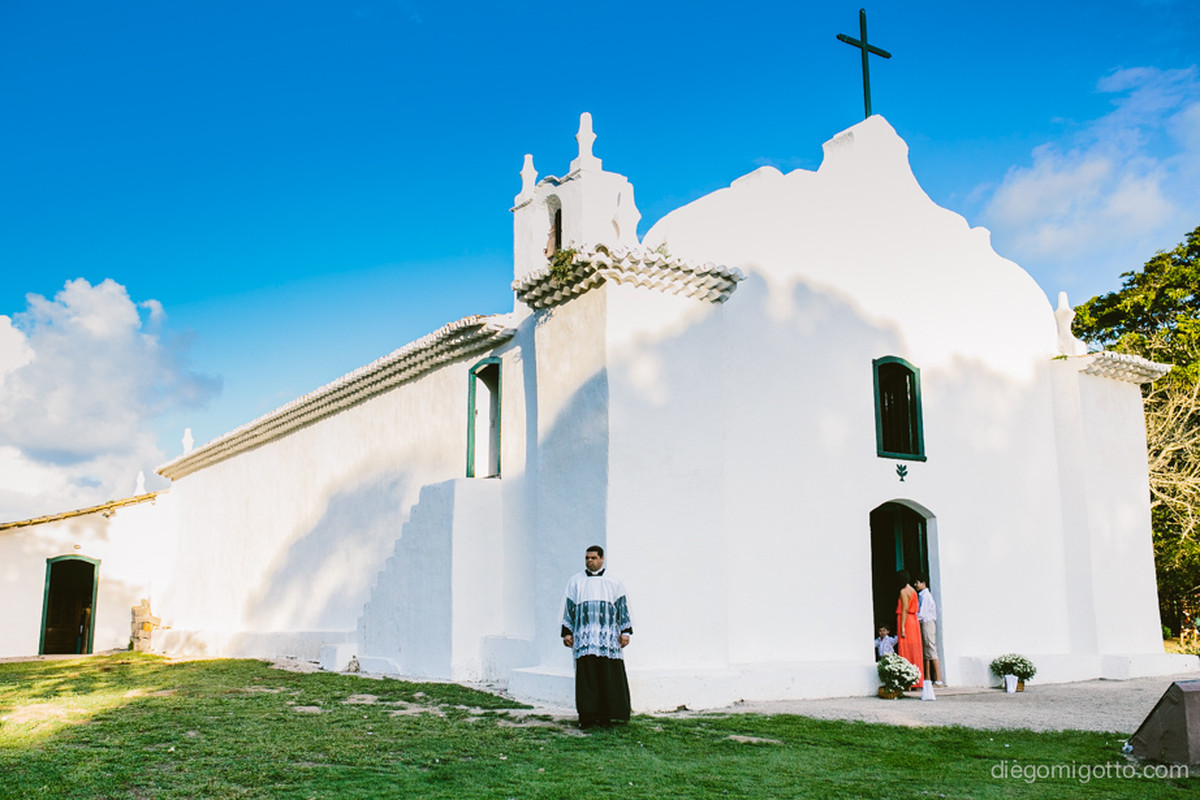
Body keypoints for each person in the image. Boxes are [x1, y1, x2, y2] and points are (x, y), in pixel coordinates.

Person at [561, 545, 633, 728]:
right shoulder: (575, 581)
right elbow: (569, 608)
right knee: (587, 678)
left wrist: (625, 632)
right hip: (584, 637)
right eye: (587, 558)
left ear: (602, 559)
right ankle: (588, 716)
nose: (589, 561)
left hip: (607, 638)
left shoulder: (614, 582)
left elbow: (622, 608)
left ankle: (609, 716)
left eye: (593, 558)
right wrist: (567, 632)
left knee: (608, 676)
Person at [895, 569, 924, 687]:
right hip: (914, 621)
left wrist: (902, 627)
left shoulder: (903, 591)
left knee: (906, 648)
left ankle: (908, 680)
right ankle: (917, 679)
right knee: (915, 648)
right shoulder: (913, 591)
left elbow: (905, 609)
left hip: (906, 621)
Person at [914, 575, 944, 686]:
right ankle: (927, 677)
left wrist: (913, 618)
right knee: (926, 651)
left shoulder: (926, 596)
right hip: (924, 623)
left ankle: (938, 679)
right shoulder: (921, 595)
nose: (916, 585)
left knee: (931, 648)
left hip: (927, 623)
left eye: (917, 582)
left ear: (924, 583)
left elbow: (923, 613)